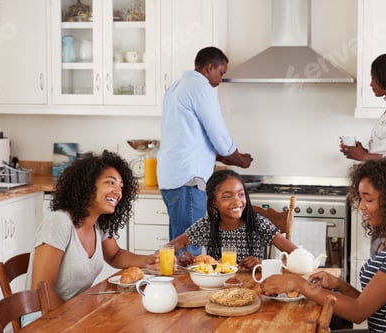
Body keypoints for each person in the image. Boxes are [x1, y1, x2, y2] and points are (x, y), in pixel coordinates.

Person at [261, 158, 386, 332]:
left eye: (369, 200)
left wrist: (299, 284)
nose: (361, 207)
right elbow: (369, 303)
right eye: (361, 198)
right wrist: (339, 284)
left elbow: (358, 312)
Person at [25, 151, 157, 313]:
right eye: (110, 183)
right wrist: (77, 323)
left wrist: (147, 260)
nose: (118, 192)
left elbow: (115, 255)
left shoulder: (98, 222)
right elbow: (42, 292)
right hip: (45, 319)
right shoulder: (59, 223)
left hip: (77, 311)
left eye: (121, 186)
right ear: (86, 185)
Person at [157, 46, 253, 256]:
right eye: (221, 73)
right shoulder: (200, 88)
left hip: (172, 178)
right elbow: (218, 135)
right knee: (188, 250)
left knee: (178, 246)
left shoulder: (176, 87)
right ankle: (186, 289)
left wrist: (226, 156)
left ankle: (178, 289)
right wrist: (240, 159)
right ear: (210, 68)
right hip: (189, 179)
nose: (220, 80)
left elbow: (195, 138)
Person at [169, 169, 297, 269]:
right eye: (227, 197)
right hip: (217, 288)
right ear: (214, 202)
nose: (237, 201)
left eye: (241, 194)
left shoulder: (258, 224)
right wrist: (182, 257)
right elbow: (170, 247)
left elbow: (298, 255)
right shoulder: (207, 225)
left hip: (254, 289)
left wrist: (262, 264)